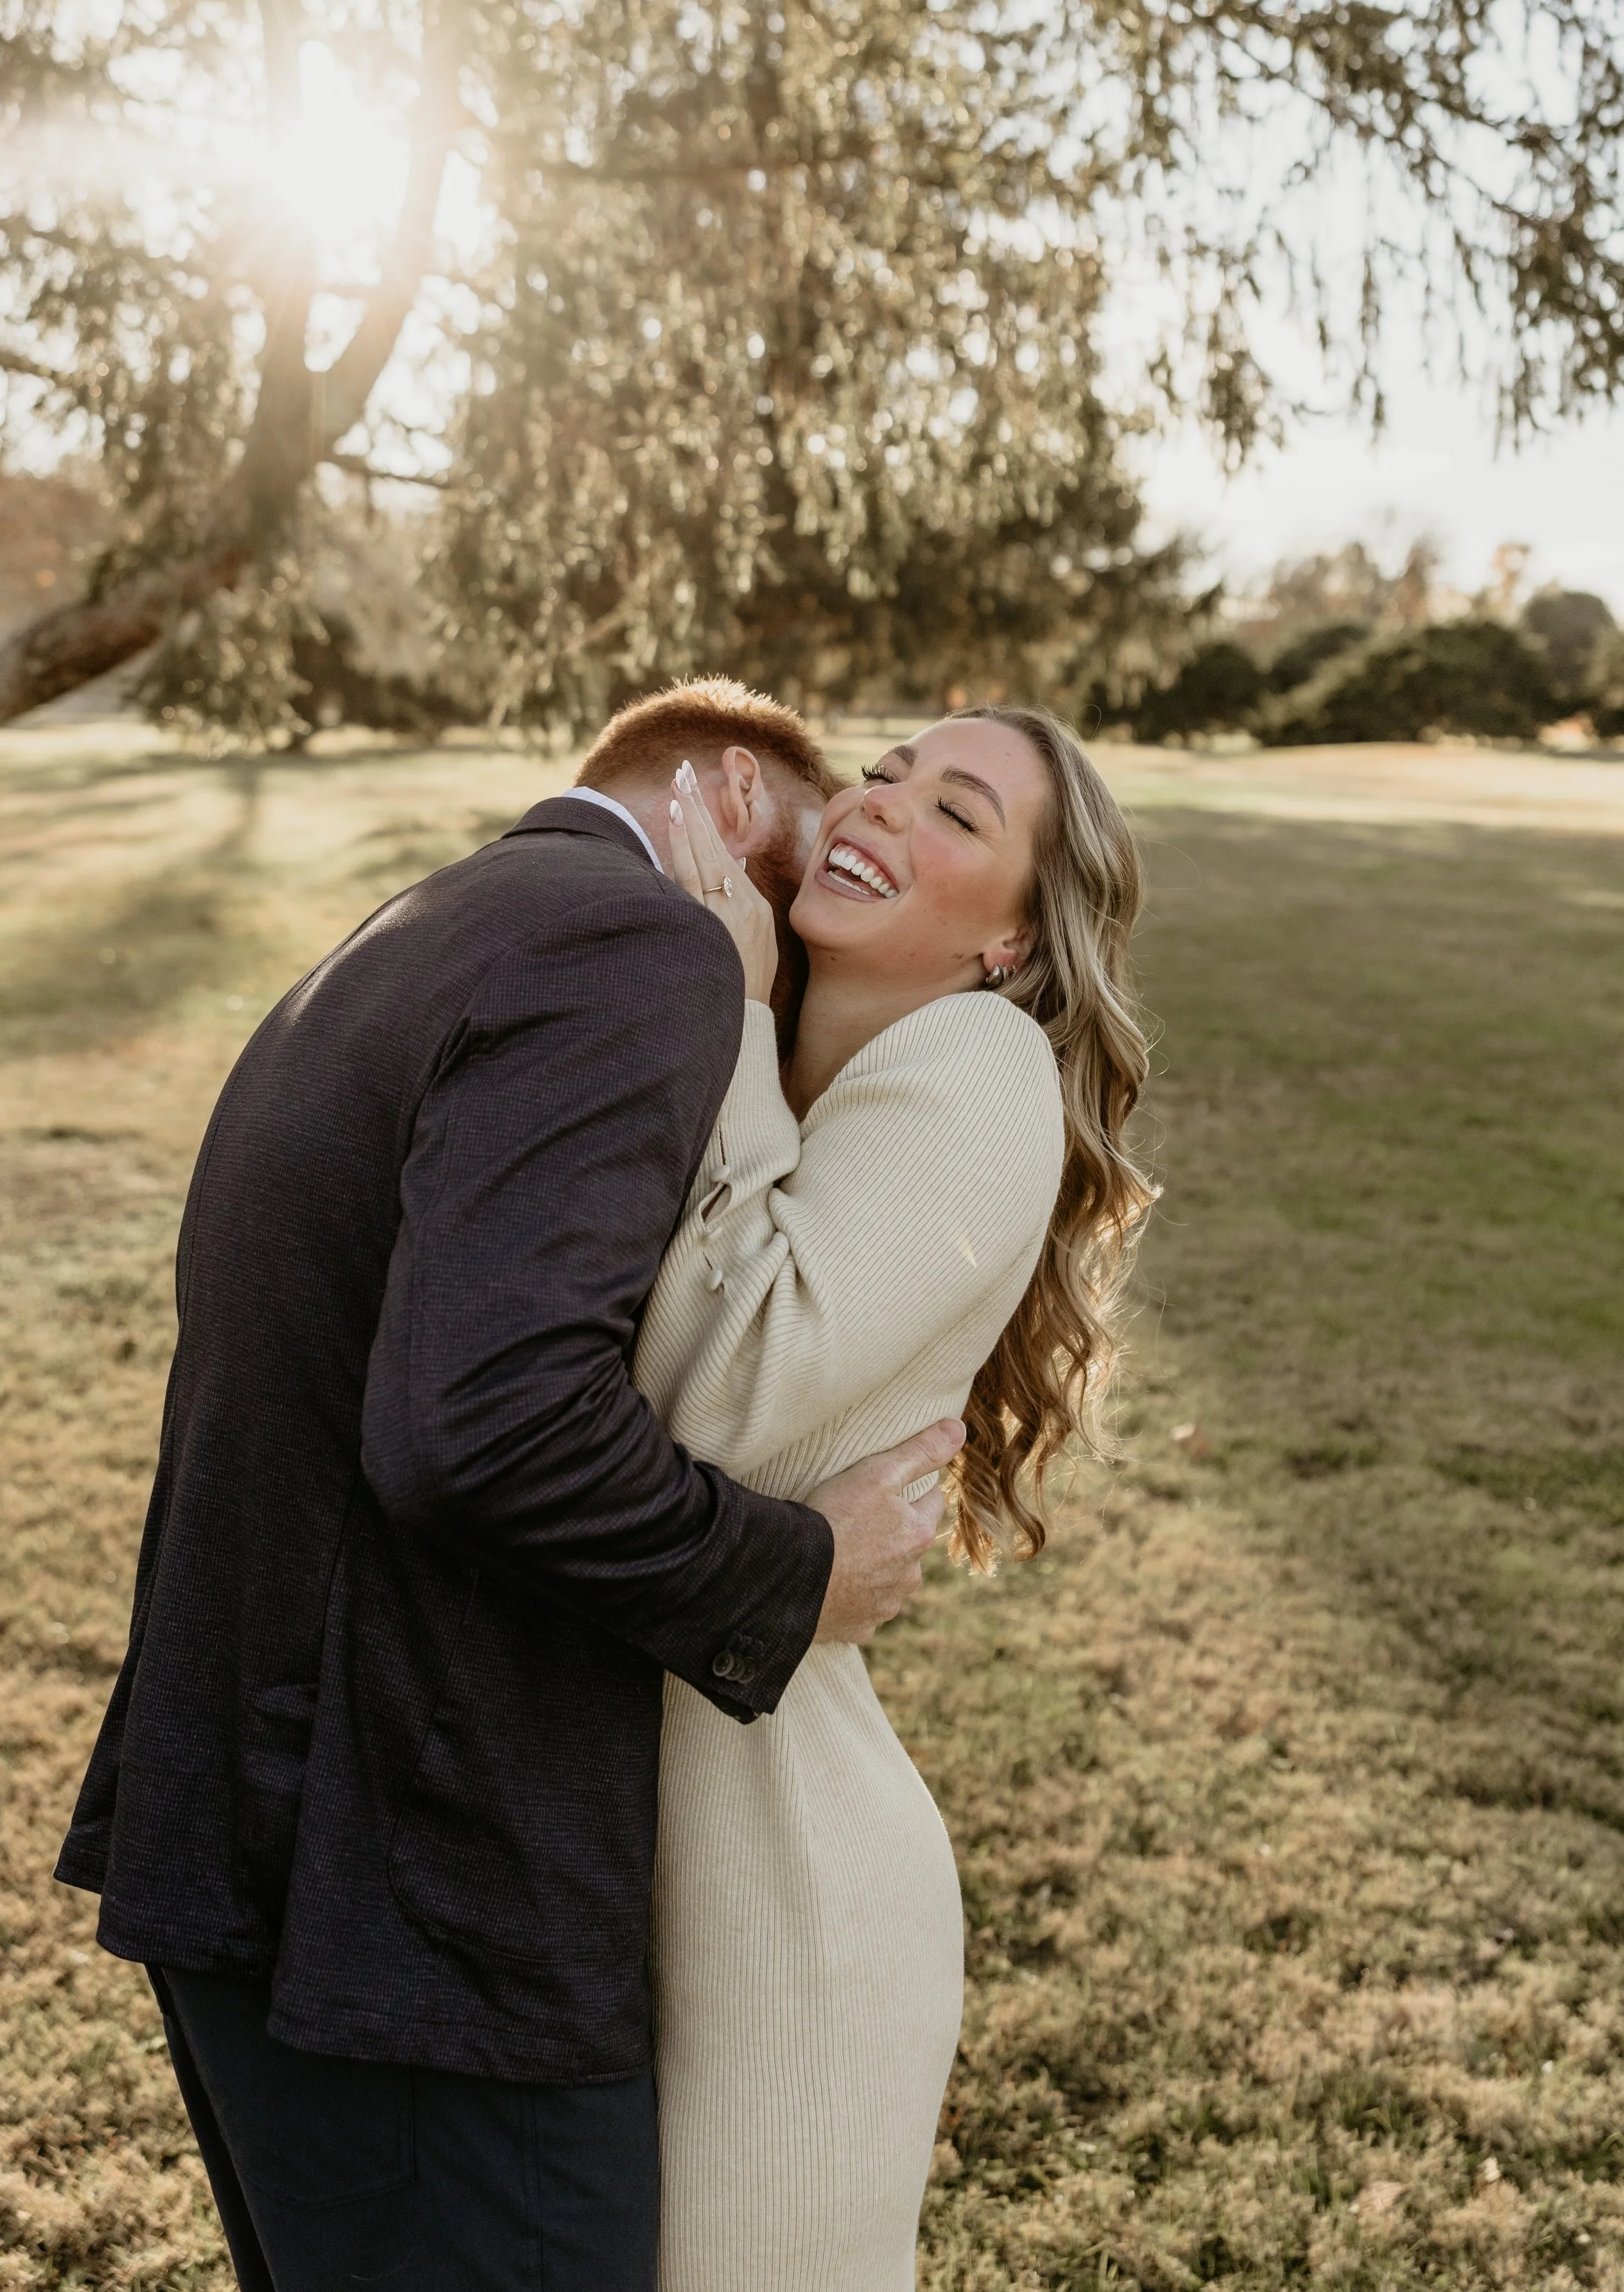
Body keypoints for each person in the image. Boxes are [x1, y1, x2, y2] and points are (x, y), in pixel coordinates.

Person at [54, 678, 963, 2292]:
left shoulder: (425, 920)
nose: (804, 934)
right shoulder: (644, 944)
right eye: (818, 852)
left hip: (268, 1846)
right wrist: (789, 1576)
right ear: (737, 799)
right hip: (410, 1894)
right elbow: (485, 1417)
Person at [639, 707, 1153, 2291]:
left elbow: (719, 1402)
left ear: (1010, 938)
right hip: (648, 1845)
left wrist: (725, 1006)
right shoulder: (812, 1073)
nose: (877, 805)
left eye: (956, 809)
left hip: (777, 1900)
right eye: (885, 769)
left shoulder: (973, 1060)